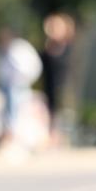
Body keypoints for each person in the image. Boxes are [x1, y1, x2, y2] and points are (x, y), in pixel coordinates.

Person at [40, 12, 75, 146]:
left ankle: (61, 137)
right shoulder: (47, 48)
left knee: (63, 111)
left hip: (64, 85)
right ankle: (51, 136)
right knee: (50, 111)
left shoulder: (68, 47)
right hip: (49, 85)